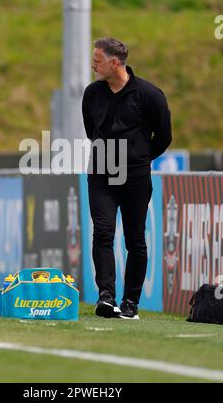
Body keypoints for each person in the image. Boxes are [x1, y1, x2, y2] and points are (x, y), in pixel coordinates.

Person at [82, 38, 172, 319]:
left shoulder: (149, 94)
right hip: (100, 174)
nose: (93, 64)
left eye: (97, 60)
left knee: (135, 239)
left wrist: (139, 159)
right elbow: (90, 130)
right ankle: (106, 296)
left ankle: (130, 301)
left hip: (135, 176)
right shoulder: (92, 93)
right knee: (103, 233)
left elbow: (164, 137)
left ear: (114, 62)